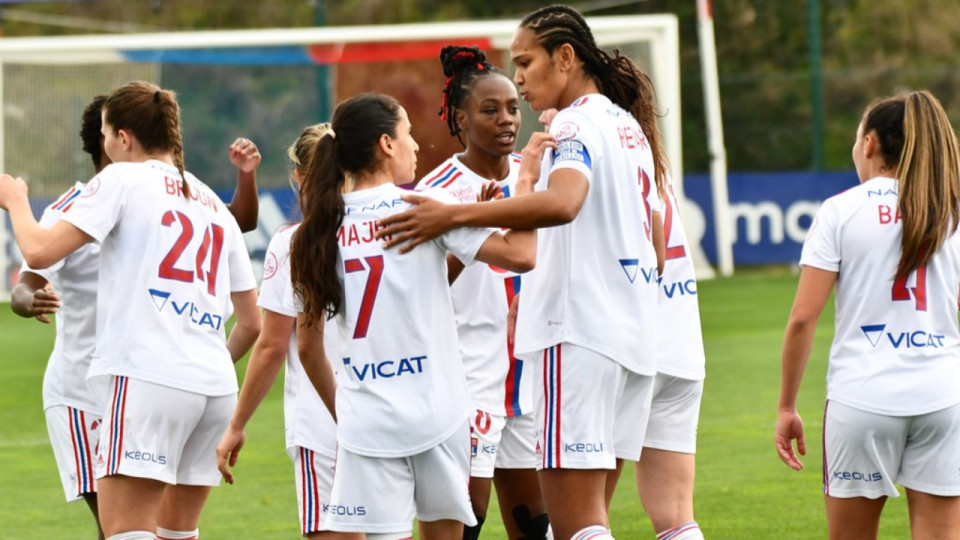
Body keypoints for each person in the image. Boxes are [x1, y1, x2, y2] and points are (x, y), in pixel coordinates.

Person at [376, 5, 668, 539]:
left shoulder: (574, 122)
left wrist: (455, 216)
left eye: (525, 63)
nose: (519, 81)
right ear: (462, 119)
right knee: (575, 523)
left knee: (575, 527)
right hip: (632, 339)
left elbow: (563, 205)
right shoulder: (629, 126)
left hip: (576, 336)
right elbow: (656, 239)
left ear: (565, 57)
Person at [0, 80, 261, 540]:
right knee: (175, 533)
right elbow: (252, 321)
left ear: (123, 138)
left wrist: (16, 200)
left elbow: (38, 253)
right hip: (214, 386)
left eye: (106, 134)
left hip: (146, 377)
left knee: (123, 531)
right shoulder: (206, 200)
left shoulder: (118, 180)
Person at [289, 92, 548, 540]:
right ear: (387, 144)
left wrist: (346, 414)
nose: (417, 147)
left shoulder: (315, 231)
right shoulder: (426, 208)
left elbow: (311, 347)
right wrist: (522, 188)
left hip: (366, 421)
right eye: (408, 134)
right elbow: (522, 255)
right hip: (436, 411)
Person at [777, 90, 960, 540]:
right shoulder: (950, 211)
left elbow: (803, 319)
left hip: (863, 400)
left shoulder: (841, 210)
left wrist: (786, 406)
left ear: (871, 144)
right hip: (943, 398)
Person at [415, 45, 550, 540]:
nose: (506, 119)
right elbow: (421, 289)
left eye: (513, 107)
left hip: (530, 374)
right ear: (460, 117)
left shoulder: (536, 174)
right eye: (489, 110)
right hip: (469, 374)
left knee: (535, 523)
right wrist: (472, 237)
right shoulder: (438, 191)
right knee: (465, 517)